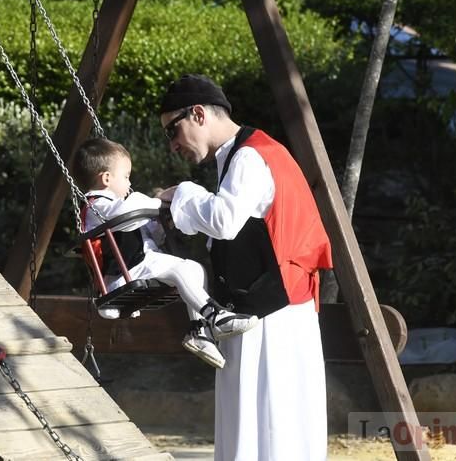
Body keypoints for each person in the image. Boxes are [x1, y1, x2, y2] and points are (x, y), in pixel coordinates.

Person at [158, 74, 333, 460]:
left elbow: (225, 220)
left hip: (271, 315)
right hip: (274, 308)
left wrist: (181, 194)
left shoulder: (251, 156)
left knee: (266, 426)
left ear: (198, 114)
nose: (173, 145)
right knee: (273, 425)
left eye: (173, 130)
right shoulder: (249, 152)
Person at [72, 137, 259, 369]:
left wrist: (159, 224)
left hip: (140, 263)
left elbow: (144, 231)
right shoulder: (96, 205)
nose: (129, 184)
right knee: (178, 268)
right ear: (107, 179)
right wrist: (157, 202)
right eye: (126, 176)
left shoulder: (114, 205)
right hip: (124, 271)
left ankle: (198, 331)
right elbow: (129, 213)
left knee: (193, 268)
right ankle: (215, 316)